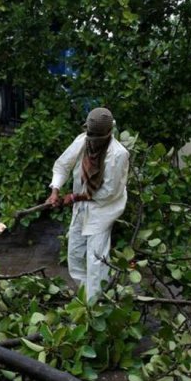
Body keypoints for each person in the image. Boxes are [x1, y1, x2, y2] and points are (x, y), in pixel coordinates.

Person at [46, 108, 129, 300]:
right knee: (74, 257)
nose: (91, 139)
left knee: (96, 261)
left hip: (103, 210)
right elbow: (63, 165)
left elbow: (109, 192)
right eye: (89, 134)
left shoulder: (118, 154)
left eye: (96, 136)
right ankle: (90, 298)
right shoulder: (82, 141)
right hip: (82, 208)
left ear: (108, 133)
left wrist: (75, 197)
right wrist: (55, 191)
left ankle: (94, 309)